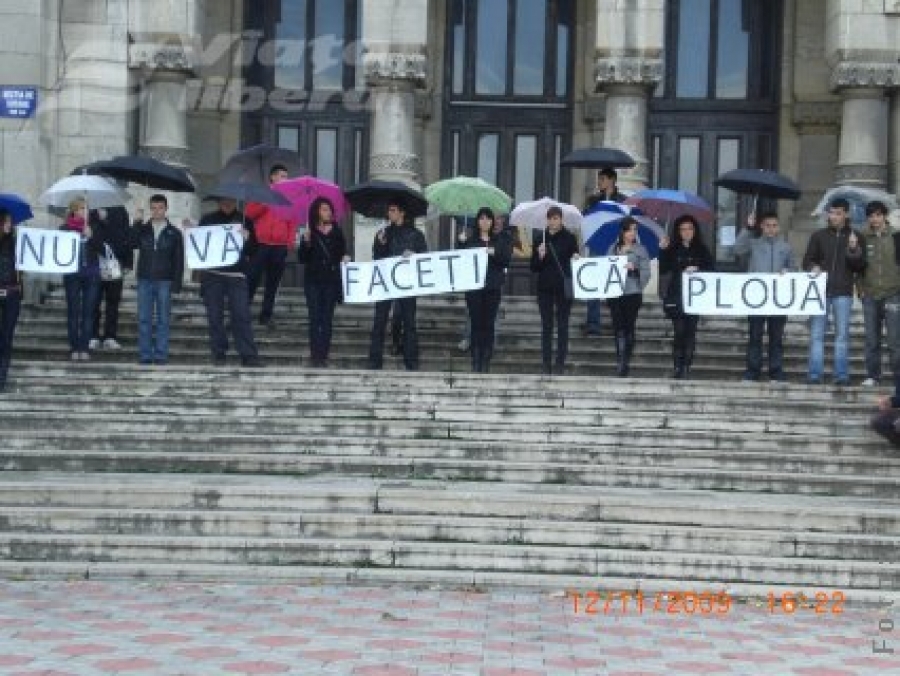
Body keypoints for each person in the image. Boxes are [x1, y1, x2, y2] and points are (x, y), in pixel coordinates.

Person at [802, 197, 864, 386]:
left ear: (846, 214)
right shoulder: (818, 236)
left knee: (842, 335)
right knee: (816, 335)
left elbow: (860, 267)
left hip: (843, 292)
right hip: (820, 291)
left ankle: (841, 375)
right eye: (831, 212)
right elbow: (807, 261)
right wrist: (813, 267)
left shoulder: (856, 236)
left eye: (838, 213)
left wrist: (853, 249)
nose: (833, 217)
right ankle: (814, 375)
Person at [195, 198, 261, 367]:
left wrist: (248, 239)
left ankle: (248, 354)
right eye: (223, 200)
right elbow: (199, 245)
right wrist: (190, 233)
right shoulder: (207, 220)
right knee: (214, 315)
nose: (227, 203)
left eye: (230, 200)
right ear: (219, 201)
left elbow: (254, 251)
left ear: (235, 201)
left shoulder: (245, 221)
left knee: (241, 315)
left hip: (237, 275)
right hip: (212, 274)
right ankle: (219, 353)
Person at [733, 212, 797, 382]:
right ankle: (752, 371)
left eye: (774, 225)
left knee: (776, 337)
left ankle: (775, 371)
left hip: (778, 300)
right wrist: (747, 228)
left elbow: (794, 269)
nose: (771, 229)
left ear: (779, 227)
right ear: (761, 226)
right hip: (756, 299)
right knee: (755, 336)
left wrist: (788, 272)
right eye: (767, 225)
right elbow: (737, 249)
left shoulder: (786, 247)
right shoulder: (753, 244)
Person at [368, 200, 427, 371]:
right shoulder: (383, 233)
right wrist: (380, 244)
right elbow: (377, 259)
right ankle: (374, 360)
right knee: (379, 321)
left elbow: (425, 257)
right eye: (389, 210)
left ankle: (411, 361)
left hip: (407, 284)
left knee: (409, 322)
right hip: (385, 283)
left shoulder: (416, 235)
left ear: (402, 213)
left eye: (393, 210)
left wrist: (414, 255)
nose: (389, 213)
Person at [130, 194, 184, 365]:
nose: (156, 211)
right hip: (145, 278)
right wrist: (136, 222)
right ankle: (145, 355)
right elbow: (130, 243)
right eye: (153, 208)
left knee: (163, 319)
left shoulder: (174, 233)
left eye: (160, 208)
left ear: (166, 209)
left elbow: (179, 260)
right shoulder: (143, 229)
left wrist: (176, 284)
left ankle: (160, 354)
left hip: (165, 280)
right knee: (144, 318)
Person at [659, 214, 714, 379]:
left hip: (695, 297)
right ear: (678, 231)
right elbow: (663, 269)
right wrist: (662, 250)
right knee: (679, 331)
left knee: (690, 332)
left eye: (690, 228)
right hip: (677, 295)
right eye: (683, 229)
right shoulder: (673, 248)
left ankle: (686, 367)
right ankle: (677, 366)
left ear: (695, 230)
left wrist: (697, 269)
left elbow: (712, 270)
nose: (686, 232)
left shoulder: (702, 249)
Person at [298, 197, 350, 368]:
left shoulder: (337, 231)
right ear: (317, 212)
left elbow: (343, 252)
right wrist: (305, 242)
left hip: (331, 281)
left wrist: (346, 257)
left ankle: (324, 354)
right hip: (313, 281)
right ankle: (315, 356)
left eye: (329, 209)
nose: (328, 212)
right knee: (314, 318)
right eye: (324, 209)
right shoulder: (309, 232)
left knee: (327, 318)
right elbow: (302, 259)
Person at [460, 207, 513, 373]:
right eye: (481, 218)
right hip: (474, 288)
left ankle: (486, 360)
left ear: (492, 222)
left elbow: (505, 260)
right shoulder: (470, 240)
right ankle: (475, 359)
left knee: (488, 324)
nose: (485, 222)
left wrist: (493, 252)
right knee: (476, 324)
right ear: (477, 221)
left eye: (488, 219)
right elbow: (460, 262)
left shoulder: (499, 240)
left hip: (492, 287)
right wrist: (460, 243)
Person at [531, 205, 580, 375]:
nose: (553, 221)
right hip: (545, 287)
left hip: (563, 287)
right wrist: (540, 255)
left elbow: (576, 259)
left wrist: (576, 257)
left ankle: (560, 362)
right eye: (550, 218)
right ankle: (546, 362)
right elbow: (534, 267)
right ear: (547, 220)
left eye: (556, 218)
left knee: (562, 325)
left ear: (561, 219)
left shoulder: (569, 238)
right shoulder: (540, 238)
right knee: (546, 325)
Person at [856, 200, 900, 387]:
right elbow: (857, 267)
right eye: (871, 216)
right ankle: (873, 375)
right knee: (871, 339)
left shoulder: (897, 236)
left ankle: (898, 377)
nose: (874, 219)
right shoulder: (862, 237)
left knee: (894, 340)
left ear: (884, 216)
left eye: (877, 215)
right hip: (871, 294)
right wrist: (860, 287)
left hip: (893, 293)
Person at [245, 163, 293, 328]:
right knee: (252, 279)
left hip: (279, 246)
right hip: (261, 244)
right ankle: (243, 313)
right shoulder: (261, 193)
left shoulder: (288, 198)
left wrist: (289, 242)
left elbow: (291, 222)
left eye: (286, 177)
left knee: (273, 283)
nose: (285, 179)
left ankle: (266, 315)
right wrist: (266, 201)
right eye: (282, 176)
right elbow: (249, 214)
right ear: (272, 177)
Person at [583, 167, 627, 338]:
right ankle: (593, 323)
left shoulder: (623, 201)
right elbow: (585, 218)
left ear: (612, 180)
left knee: (614, 285)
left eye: (602, 179)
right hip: (597, 244)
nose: (599, 182)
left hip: (614, 246)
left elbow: (626, 223)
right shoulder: (593, 200)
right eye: (599, 179)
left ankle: (618, 323)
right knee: (593, 285)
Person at [606, 216, 650, 377]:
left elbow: (647, 273)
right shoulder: (612, 248)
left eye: (635, 230)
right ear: (623, 231)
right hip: (615, 293)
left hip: (632, 293)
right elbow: (604, 268)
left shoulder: (641, 250)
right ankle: (621, 361)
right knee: (618, 328)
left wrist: (634, 269)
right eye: (629, 229)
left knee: (629, 327)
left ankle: (626, 360)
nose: (632, 233)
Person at [60, 198, 102, 361]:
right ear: (73, 211)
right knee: (73, 311)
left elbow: (102, 248)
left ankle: (84, 347)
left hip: (91, 274)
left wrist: (91, 236)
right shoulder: (64, 229)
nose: (84, 211)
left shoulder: (94, 227)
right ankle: (74, 347)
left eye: (86, 208)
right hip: (72, 275)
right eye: (80, 208)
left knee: (88, 312)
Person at [89, 206, 133, 351]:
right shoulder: (91, 209)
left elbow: (126, 235)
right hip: (95, 262)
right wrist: (99, 221)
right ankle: (93, 335)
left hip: (115, 262)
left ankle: (110, 336)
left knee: (113, 301)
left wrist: (128, 262)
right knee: (94, 300)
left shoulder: (120, 210)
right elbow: (89, 236)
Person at [0, 209, 22, 390]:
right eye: (6, 221)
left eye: (10, 221)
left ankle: (2, 376)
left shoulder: (17, 243)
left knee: (7, 336)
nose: (9, 224)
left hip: (12, 292)